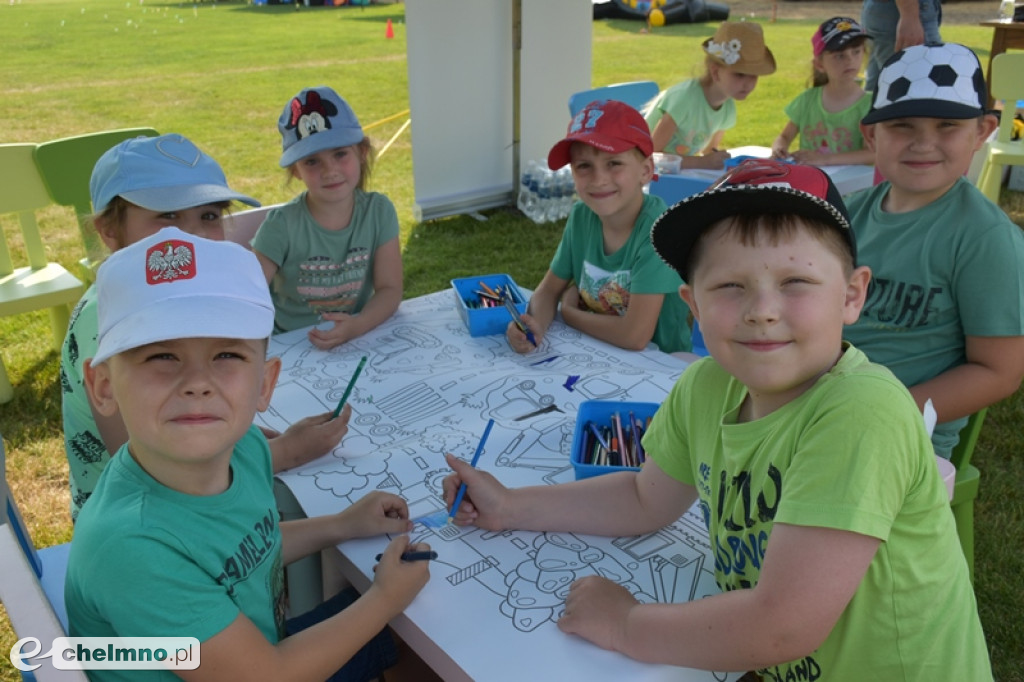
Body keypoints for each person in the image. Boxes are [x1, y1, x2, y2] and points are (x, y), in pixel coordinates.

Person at [447, 159, 992, 680]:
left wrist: (625, 625)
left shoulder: (861, 413)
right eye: (730, 286)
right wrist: (511, 504)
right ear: (693, 304)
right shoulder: (706, 387)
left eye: (795, 283)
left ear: (851, 296)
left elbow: (782, 628)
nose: (762, 309)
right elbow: (644, 499)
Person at [66, 227, 430, 682]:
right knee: (406, 632)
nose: (197, 382)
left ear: (264, 384)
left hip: (251, 651)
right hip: (260, 669)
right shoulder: (132, 547)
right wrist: (384, 600)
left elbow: (249, 549)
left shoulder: (245, 449)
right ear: (103, 386)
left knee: (417, 634)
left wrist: (342, 524)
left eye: (225, 355)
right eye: (162, 356)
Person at [60, 134, 350, 521]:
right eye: (168, 216)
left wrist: (251, 440)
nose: (192, 234)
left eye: (208, 216)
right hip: (145, 528)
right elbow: (153, 471)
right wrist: (287, 453)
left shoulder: (170, 296)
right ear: (109, 231)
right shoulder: (110, 325)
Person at [844, 42, 1024, 458]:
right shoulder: (847, 215)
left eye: (947, 125)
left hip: (902, 437)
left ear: (981, 132)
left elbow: (999, 372)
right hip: (812, 407)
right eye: (902, 125)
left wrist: (879, 414)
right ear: (872, 134)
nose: (923, 144)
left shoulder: (984, 239)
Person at [507, 99, 691, 355]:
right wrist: (533, 324)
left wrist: (569, 314)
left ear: (646, 170)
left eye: (614, 163)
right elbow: (549, 290)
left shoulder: (659, 229)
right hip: (599, 354)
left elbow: (635, 336)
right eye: (584, 166)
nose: (599, 179)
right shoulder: (582, 216)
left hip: (664, 366)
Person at [252, 85, 402, 351]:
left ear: (362, 152)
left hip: (353, 336)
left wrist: (357, 325)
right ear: (296, 171)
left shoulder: (379, 212)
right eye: (312, 161)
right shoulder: (280, 226)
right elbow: (248, 297)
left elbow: (390, 289)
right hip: (286, 344)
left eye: (340, 154)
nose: (330, 170)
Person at [643, 21, 776, 170]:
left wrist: (723, 162)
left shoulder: (727, 108)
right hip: (641, 173)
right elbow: (650, 155)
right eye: (740, 75)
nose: (748, 84)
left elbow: (709, 152)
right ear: (715, 72)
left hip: (672, 174)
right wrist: (700, 162)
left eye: (754, 76)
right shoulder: (684, 99)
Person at [771, 17, 875, 167]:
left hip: (855, 188)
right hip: (812, 185)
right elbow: (784, 137)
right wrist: (778, 149)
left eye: (856, 51)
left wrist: (825, 160)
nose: (850, 60)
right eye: (839, 55)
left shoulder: (871, 105)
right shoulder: (807, 100)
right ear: (819, 64)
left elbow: (872, 154)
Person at [861, 0, 942, 92]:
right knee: (918, 93)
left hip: (889, 10)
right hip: (903, 10)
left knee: (877, 93)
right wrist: (909, 15)